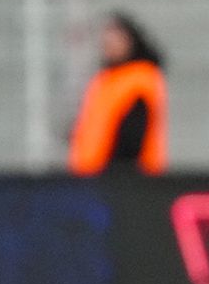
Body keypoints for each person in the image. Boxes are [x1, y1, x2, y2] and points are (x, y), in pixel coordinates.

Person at [69, 13, 168, 175]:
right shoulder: (105, 80)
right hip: (93, 177)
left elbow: (133, 132)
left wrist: (118, 171)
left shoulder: (140, 77)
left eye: (115, 40)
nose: (109, 46)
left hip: (126, 178)